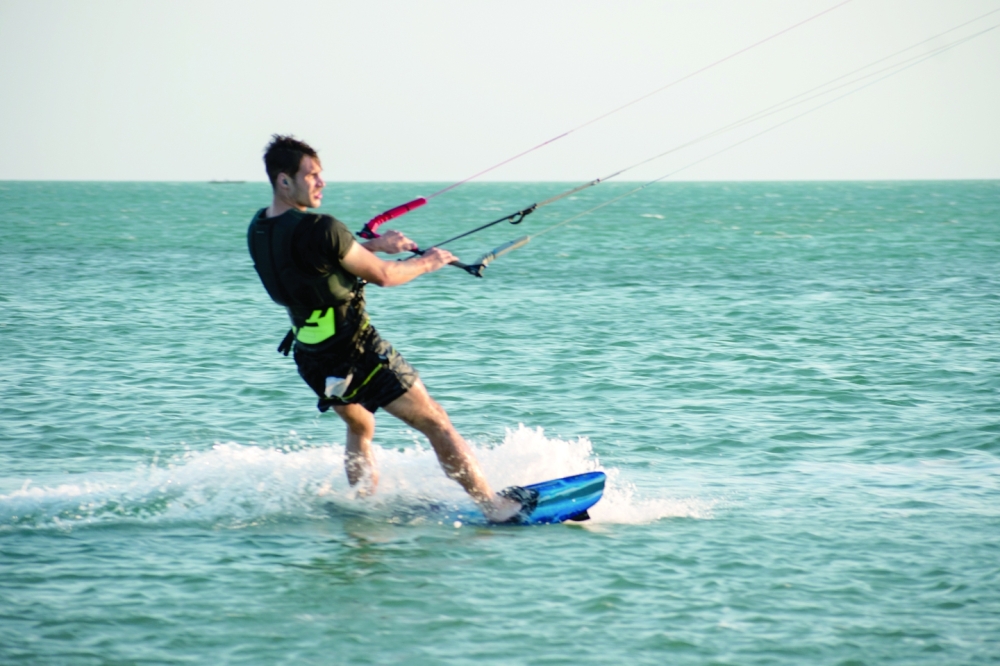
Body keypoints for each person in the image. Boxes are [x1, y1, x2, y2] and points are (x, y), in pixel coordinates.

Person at [247, 135, 527, 522]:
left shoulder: (260, 227)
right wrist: (428, 262)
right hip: (357, 351)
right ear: (284, 181)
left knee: (360, 423)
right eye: (311, 175)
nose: (321, 183)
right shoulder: (322, 227)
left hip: (311, 355)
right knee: (436, 422)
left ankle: (363, 503)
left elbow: (313, 264)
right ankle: (492, 507)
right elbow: (382, 276)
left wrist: (372, 244)